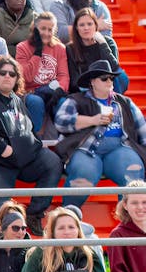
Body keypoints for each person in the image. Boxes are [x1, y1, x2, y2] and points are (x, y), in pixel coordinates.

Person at [0, 54, 63, 232]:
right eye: (2, 73)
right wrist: (2, 148)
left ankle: (34, 214)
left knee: (52, 163)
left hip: (19, 159)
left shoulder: (16, 99)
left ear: (17, 79)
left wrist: (35, 146)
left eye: (12, 74)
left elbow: (27, 128)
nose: (7, 76)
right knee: (0, 204)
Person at [53, 59, 146, 196]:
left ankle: (129, 216)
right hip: (85, 148)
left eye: (112, 78)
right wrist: (92, 120)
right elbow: (61, 122)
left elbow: (143, 129)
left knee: (134, 171)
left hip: (120, 148)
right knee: (83, 176)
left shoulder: (124, 102)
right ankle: (70, 214)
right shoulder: (76, 99)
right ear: (92, 82)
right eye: (104, 78)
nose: (109, 81)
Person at [17, 11, 69, 133]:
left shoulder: (60, 48)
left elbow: (63, 75)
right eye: (43, 29)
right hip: (31, 91)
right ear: (34, 29)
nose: (46, 33)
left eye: (50, 30)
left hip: (52, 90)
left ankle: (63, 140)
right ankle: (35, 139)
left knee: (63, 102)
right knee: (36, 102)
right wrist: (38, 51)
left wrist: (60, 89)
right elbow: (26, 77)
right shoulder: (22, 47)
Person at [66, 8, 125, 98]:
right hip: (84, 90)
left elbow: (115, 69)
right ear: (77, 28)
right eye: (82, 25)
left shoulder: (108, 42)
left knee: (122, 77)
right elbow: (74, 81)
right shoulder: (70, 48)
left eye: (89, 24)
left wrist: (102, 43)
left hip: (108, 87)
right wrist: (95, 90)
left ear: (96, 26)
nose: (86, 28)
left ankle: (115, 104)